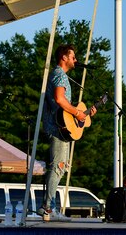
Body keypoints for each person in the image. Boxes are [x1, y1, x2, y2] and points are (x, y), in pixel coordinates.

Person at [38, 44, 96, 222]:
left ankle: (50, 207)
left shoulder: (59, 75)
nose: (76, 60)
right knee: (57, 167)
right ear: (64, 57)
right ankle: (48, 208)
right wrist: (77, 112)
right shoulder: (59, 75)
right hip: (57, 129)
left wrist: (84, 114)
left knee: (59, 167)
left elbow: (65, 108)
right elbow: (59, 99)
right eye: (73, 57)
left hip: (61, 128)